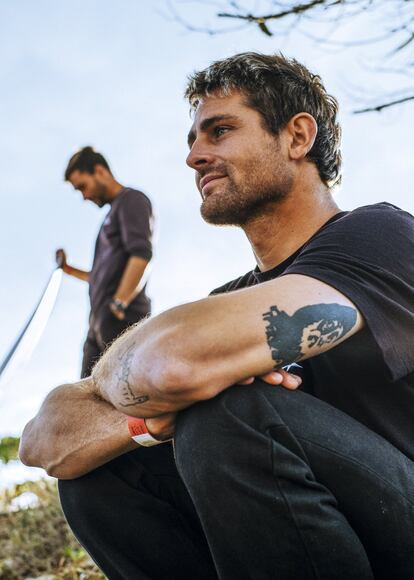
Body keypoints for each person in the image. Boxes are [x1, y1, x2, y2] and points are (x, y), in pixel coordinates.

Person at [20, 53, 414, 580]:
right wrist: (150, 418)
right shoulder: (227, 299)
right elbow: (43, 440)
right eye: (192, 141)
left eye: (220, 131)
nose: (194, 157)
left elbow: (172, 363)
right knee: (105, 476)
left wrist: (186, 380)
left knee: (227, 412)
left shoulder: (378, 237)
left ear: (297, 137)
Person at [57, 146, 153, 377]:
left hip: (121, 320)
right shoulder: (109, 219)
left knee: (124, 401)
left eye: (82, 186)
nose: (84, 196)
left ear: (99, 171)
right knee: (85, 401)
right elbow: (98, 276)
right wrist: (68, 269)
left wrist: (119, 304)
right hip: (97, 326)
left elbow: (141, 256)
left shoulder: (131, 200)